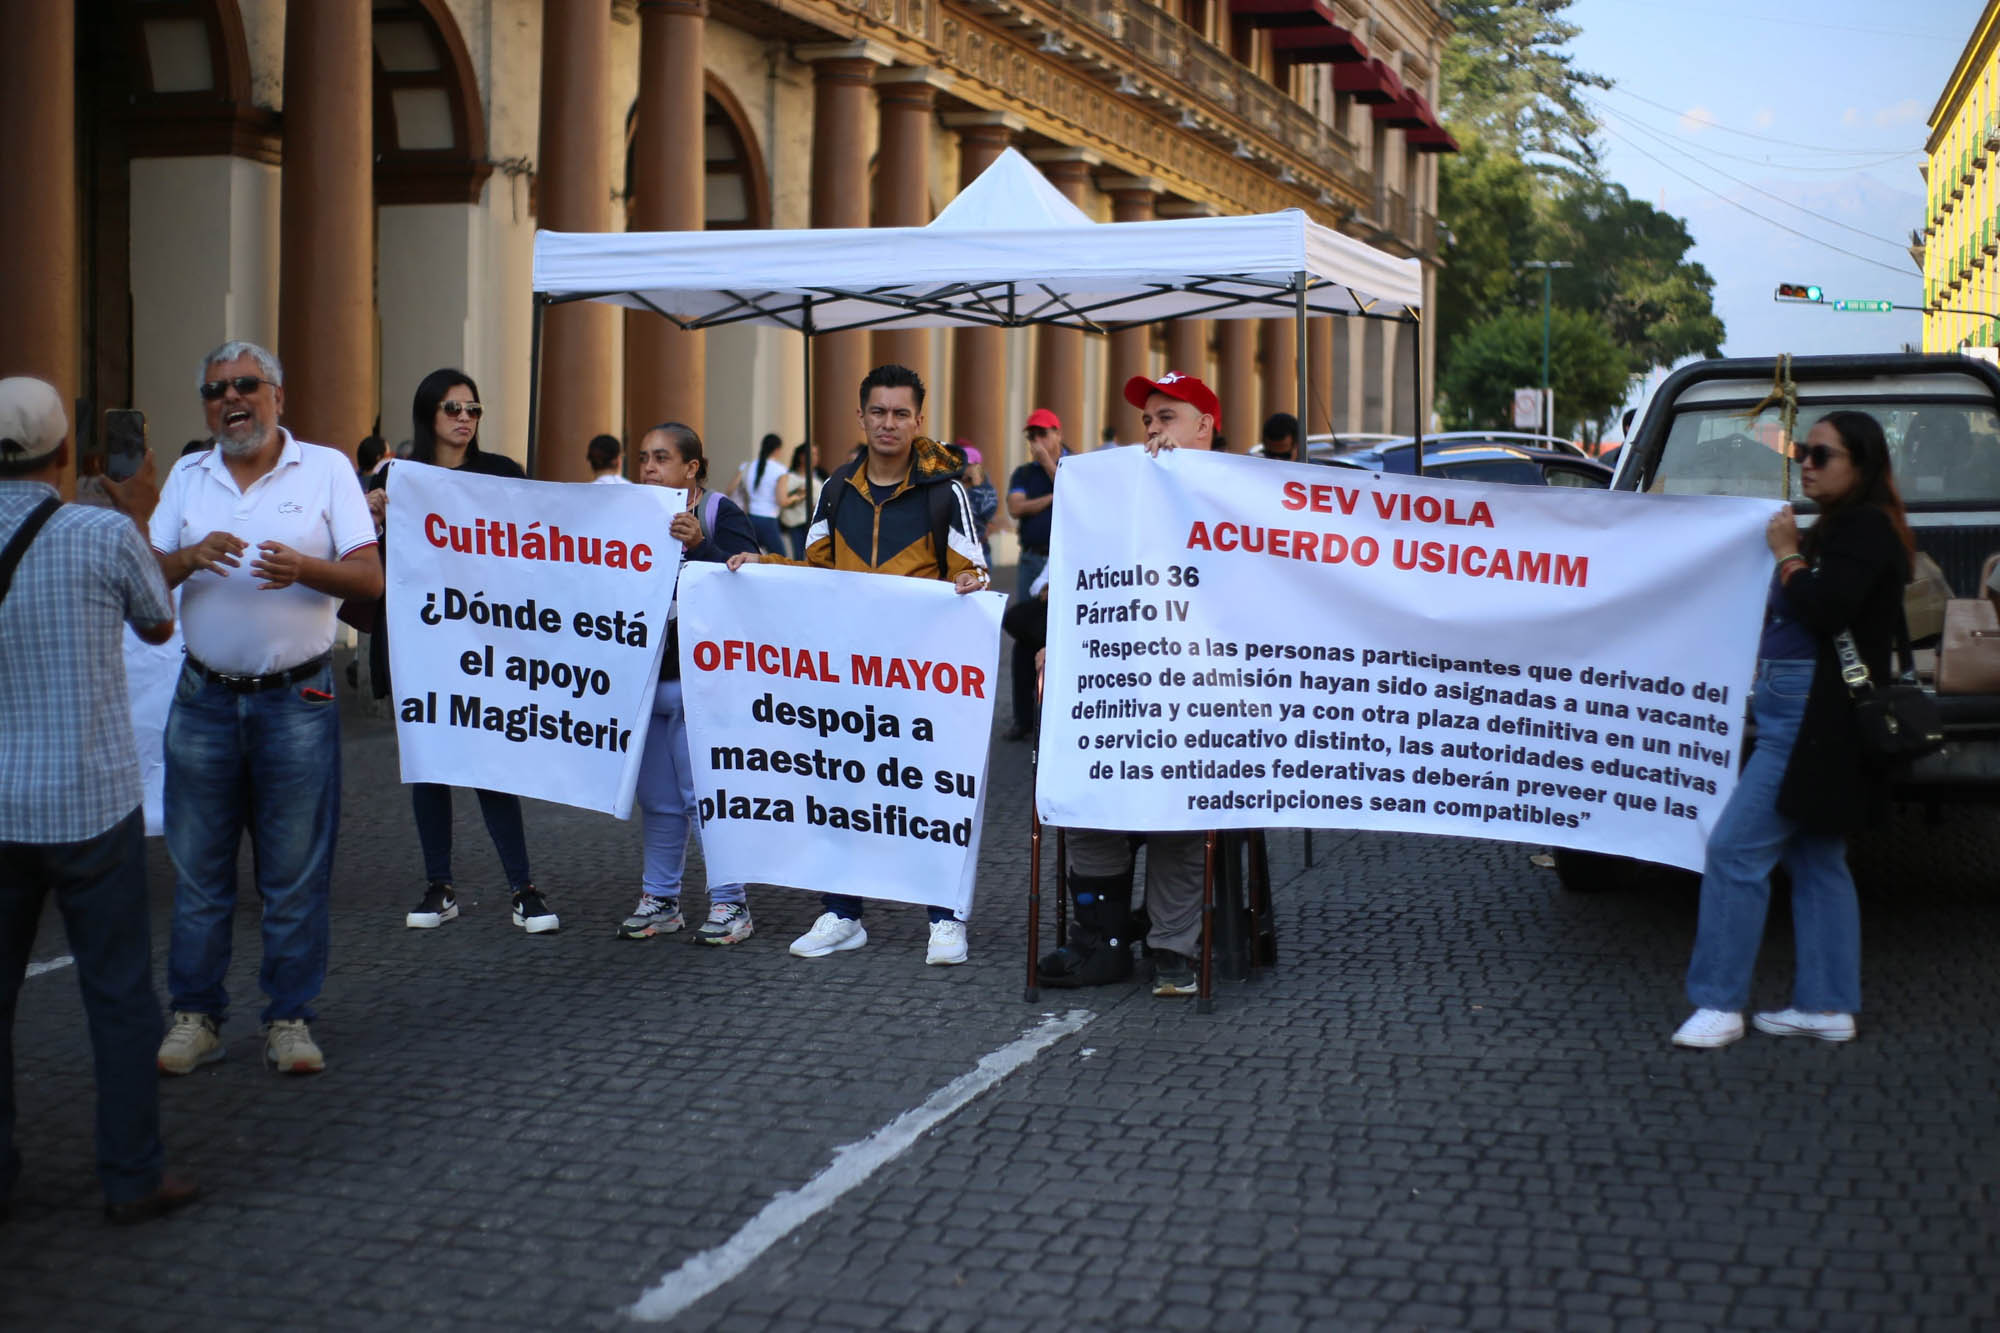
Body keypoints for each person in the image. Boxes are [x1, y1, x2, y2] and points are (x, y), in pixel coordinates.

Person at [149, 341, 382, 1076]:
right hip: (204, 699)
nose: (232, 399)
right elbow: (145, 576)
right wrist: (187, 559)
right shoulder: (188, 476)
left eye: (247, 385)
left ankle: (289, 1018)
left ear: (278, 395)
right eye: (216, 390)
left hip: (298, 699)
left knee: (293, 874)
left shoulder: (327, 470)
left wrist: (305, 569)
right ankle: (195, 1015)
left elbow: (370, 579)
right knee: (200, 873)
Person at [0, 377, 199, 1224]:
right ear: (65, 450)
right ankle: (132, 1174)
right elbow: (158, 626)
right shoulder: (100, 530)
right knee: (118, 994)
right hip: (90, 795)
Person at [727, 364, 990, 966]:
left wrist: (973, 582)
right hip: (848, 674)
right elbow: (818, 574)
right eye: (879, 411)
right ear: (862, 417)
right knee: (840, 788)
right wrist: (762, 564)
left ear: (918, 419)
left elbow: (970, 574)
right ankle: (842, 913)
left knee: (930, 794)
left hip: (921, 680)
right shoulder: (837, 489)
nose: (889, 423)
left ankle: (945, 916)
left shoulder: (945, 491)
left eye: (901, 413)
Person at [1673, 411, 1914, 1049]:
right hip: (1808, 709)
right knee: (1816, 857)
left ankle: (1720, 1004)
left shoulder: (1861, 528)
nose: (1806, 460)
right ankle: (1827, 1004)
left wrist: (1786, 555)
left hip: (1809, 716)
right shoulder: (1850, 526)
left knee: (1734, 852)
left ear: (1859, 465)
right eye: (1804, 450)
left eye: (1822, 454)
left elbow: (1824, 606)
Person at [1038, 371, 1222, 999]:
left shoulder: (1240, 496)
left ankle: (1172, 946)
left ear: (1205, 426)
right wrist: (1054, 645)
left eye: (1166, 417)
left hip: (1200, 702)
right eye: (1147, 420)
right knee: (1085, 791)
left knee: (1176, 810)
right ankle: (1104, 938)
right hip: (1120, 691)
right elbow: (1082, 579)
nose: (1151, 431)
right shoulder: (1118, 495)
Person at [366, 369, 558, 937]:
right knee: (429, 767)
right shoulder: (398, 478)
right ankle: (439, 884)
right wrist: (372, 512)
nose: (464, 419)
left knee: (489, 763)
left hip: (486, 645)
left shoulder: (501, 475)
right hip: (422, 645)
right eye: (453, 409)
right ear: (429, 414)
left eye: (473, 409)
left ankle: (523, 887)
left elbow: (541, 543)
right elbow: (365, 556)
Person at [620, 422, 761, 944]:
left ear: (691, 468)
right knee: (657, 800)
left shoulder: (721, 513)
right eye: (643, 458)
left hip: (704, 686)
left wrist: (702, 546)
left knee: (706, 799)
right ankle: (660, 899)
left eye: (660, 458)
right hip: (647, 682)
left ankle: (731, 904)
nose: (649, 468)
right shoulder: (631, 517)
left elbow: (751, 583)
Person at [1004, 409, 1068, 741]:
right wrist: (1051, 498)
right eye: (1032, 436)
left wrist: (1049, 466)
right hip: (1035, 562)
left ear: (1058, 433)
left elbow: (1078, 497)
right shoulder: (1023, 473)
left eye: (1043, 433)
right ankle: (1023, 717)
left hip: (1068, 563)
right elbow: (1015, 507)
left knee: (1060, 639)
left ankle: (1062, 714)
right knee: (1026, 635)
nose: (1037, 441)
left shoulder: (1074, 466)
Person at [739, 432, 790, 554]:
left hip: (750, 518)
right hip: (768, 520)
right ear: (777, 450)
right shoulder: (780, 470)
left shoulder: (748, 466)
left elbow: (732, 489)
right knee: (780, 560)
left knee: (750, 558)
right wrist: (796, 497)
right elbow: (782, 501)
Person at [958, 440, 1000, 571]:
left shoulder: (986, 490)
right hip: (957, 550)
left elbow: (986, 511)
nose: (965, 468)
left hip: (979, 551)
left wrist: (977, 486)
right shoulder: (955, 485)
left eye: (969, 464)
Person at [779, 442, 813, 558]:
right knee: (797, 556)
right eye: (812, 454)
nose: (815, 457)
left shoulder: (819, 476)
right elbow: (783, 500)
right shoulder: (788, 477)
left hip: (811, 524)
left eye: (817, 454)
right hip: (794, 523)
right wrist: (798, 496)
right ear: (801, 457)